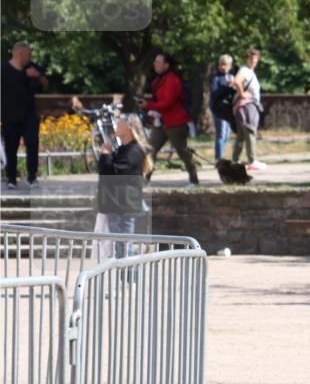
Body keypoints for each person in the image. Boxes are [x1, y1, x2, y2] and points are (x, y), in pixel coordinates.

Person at [97, 114, 153, 257]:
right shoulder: (125, 149)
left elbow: (112, 173)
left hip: (122, 207)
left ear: (129, 127)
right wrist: (107, 155)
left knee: (124, 248)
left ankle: (133, 279)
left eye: (119, 122)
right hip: (116, 205)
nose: (116, 124)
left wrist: (105, 155)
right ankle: (128, 279)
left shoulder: (133, 151)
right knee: (120, 248)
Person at [141, 52, 199, 185]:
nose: (155, 64)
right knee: (150, 151)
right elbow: (159, 100)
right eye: (155, 61)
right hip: (160, 122)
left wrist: (148, 105)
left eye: (158, 62)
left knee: (182, 152)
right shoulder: (157, 81)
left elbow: (167, 102)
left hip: (175, 122)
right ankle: (144, 181)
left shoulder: (172, 79)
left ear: (166, 65)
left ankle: (194, 180)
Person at [2, 41, 48, 188]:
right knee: (11, 148)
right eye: (29, 54)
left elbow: (45, 85)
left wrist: (38, 75)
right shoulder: (3, 70)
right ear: (20, 54)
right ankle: (11, 179)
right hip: (10, 116)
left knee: (33, 145)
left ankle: (32, 177)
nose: (31, 57)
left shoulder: (33, 69)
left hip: (29, 116)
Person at [231, 47, 266, 172]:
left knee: (241, 136)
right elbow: (237, 81)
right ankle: (252, 161)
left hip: (243, 108)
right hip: (247, 107)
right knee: (250, 132)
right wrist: (242, 94)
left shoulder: (250, 71)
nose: (254, 63)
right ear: (246, 59)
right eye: (251, 60)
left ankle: (235, 161)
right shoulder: (245, 70)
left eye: (256, 61)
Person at [209, 54, 234, 161]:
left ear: (230, 66)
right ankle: (219, 158)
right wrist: (226, 87)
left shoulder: (231, 77)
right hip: (219, 109)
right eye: (221, 64)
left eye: (226, 65)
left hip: (228, 109)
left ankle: (221, 154)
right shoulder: (216, 78)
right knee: (221, 134)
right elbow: (215, 93)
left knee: (227, 134)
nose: (223, 67)